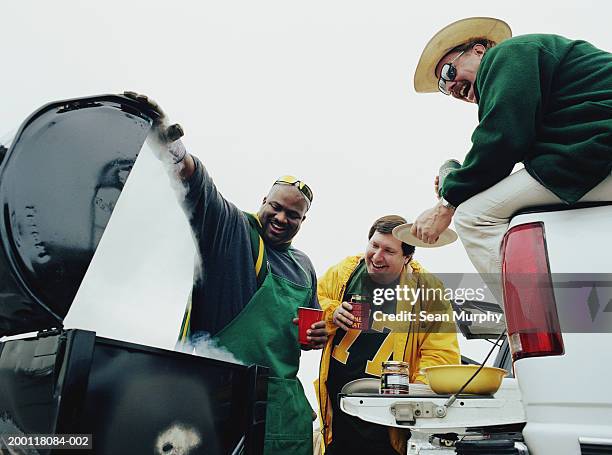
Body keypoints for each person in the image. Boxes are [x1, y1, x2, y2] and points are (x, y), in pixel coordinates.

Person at [123, 92, 328, 455]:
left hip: (283, 410)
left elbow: (303, 336)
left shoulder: (305, 266)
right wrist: (169, 142)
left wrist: (315, 336)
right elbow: (198, 187)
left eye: (293, 215)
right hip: (218, 398)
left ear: (303, 220)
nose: (281, 218)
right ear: (262, 201)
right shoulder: (233, 231)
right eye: (276, 207)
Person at [411, 17, 612, 298]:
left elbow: (501, 140)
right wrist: (461, 179)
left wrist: (448, 202)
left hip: (594, 148)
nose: (451, 86)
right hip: (589, 153)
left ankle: (531, 325)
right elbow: (504, 148)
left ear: (479, 50)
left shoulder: (506, 55)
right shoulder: (526, 71)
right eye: (444, 87)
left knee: (474, 217)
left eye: (448, 70)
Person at [315, 215, 460, 455]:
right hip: (339, 418)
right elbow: (311, 303)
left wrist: (414, 404)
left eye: (389, 251)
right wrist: (332, 313)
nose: (377, 256)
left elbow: (441, 355)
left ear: (407, 257)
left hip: (389, 425)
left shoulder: (429, 290)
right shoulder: (345, 272)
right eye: (374, 246)